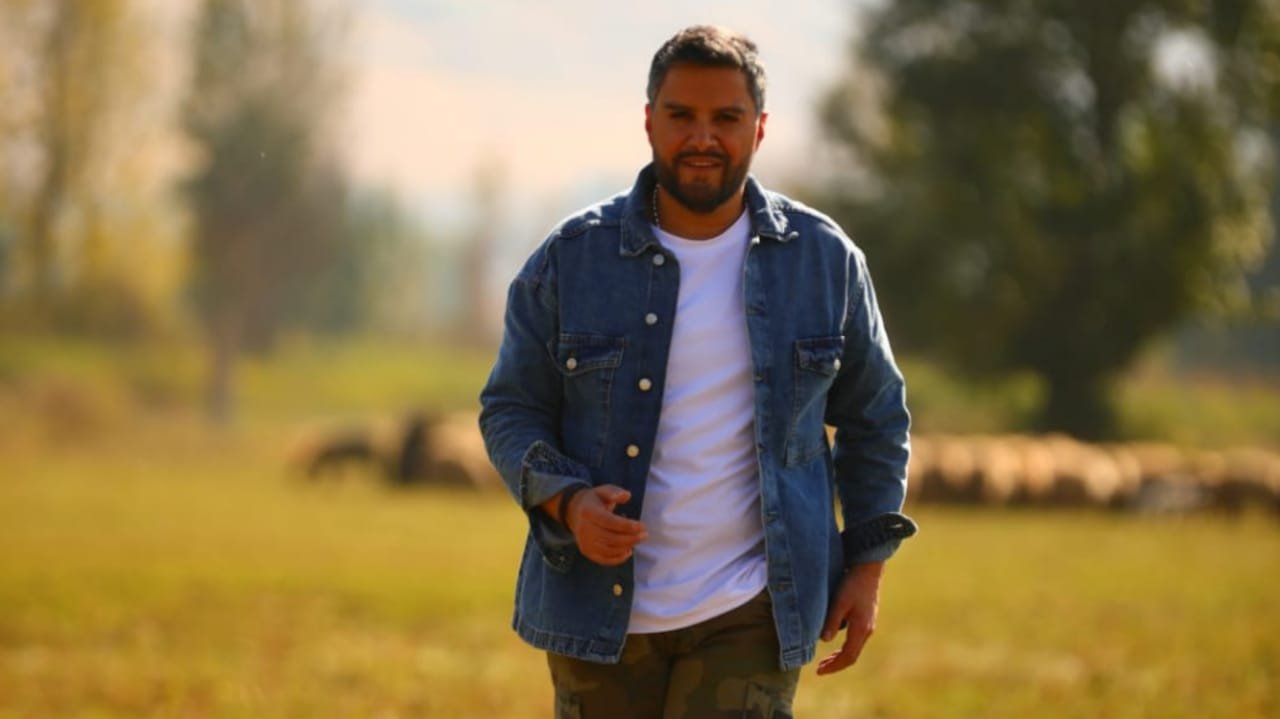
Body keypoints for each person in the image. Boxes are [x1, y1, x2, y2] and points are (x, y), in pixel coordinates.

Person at [479, 25, 917, 719]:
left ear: (759, 128)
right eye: (681, 115)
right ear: (649, 121)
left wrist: (867, 567)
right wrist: (569, 502)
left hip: (752, 608)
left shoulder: (825, 261)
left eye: (726, 118)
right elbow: (510, 408)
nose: (702, 137)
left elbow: (877, 419)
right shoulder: (570, 259)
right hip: (596, 609)